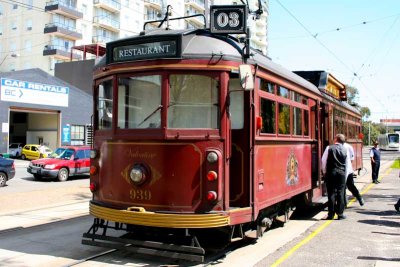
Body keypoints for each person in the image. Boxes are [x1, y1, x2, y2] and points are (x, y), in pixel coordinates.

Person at [321, 134, 348, 220]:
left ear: (336, 139)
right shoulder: (345, 149)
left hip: (331, 172)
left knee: (331, 193)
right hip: (341, 173)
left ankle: (331, 214)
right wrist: (345, 175)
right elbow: (347, 164)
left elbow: (323, 161)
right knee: (340, 193)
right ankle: (340, 214)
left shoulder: (329, 148)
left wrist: (324, 172)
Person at [343, 142, 364, 206]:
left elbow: (352, 159)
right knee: (344, 187)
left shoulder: (348, 147)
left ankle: (359, 197)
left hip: (348, 171)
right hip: (345, 170)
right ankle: (345, 202)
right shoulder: (347, 147)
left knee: (350, 186)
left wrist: (348, 167)